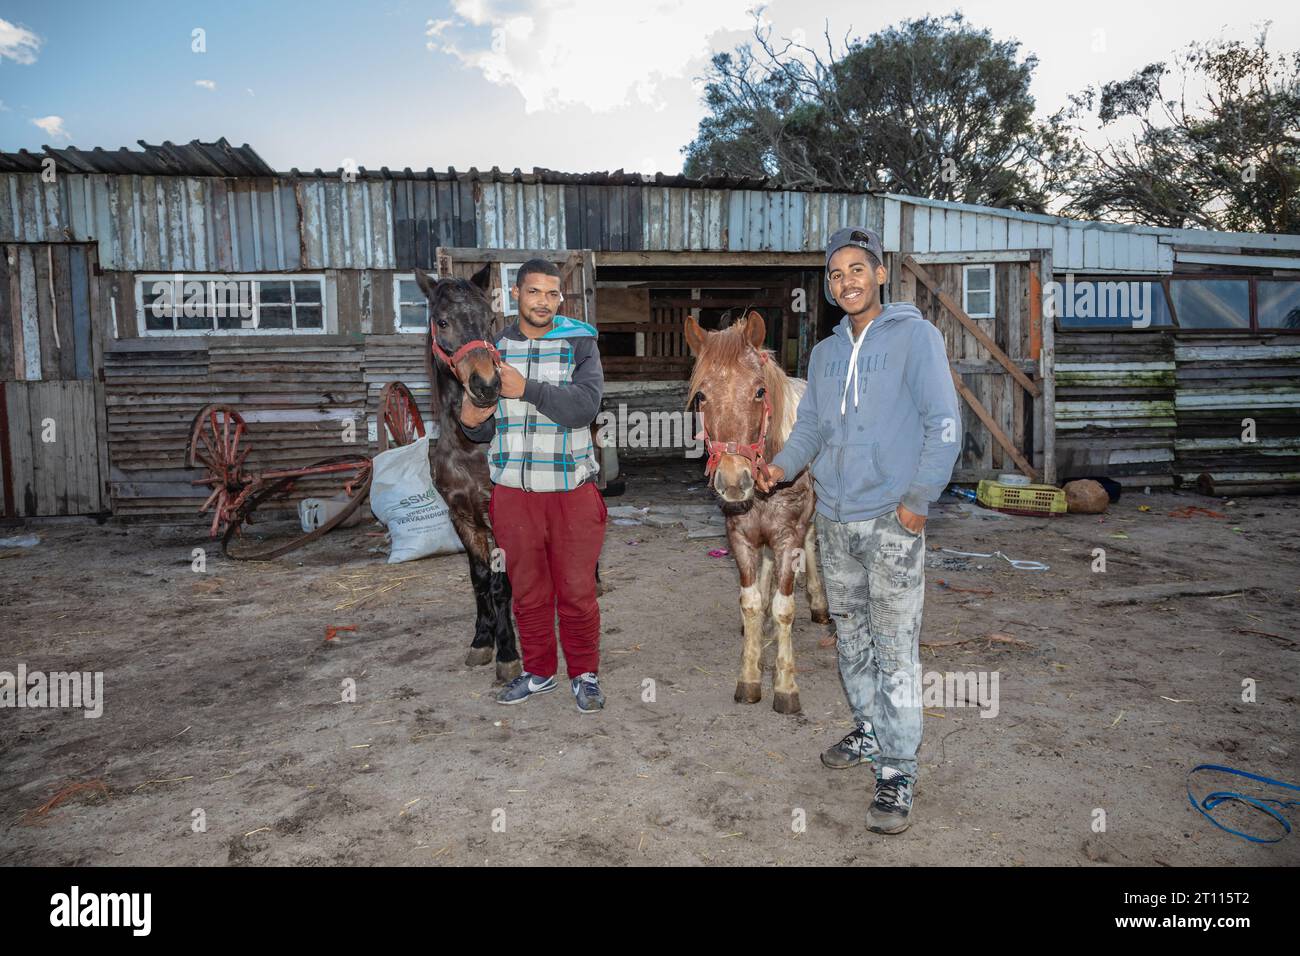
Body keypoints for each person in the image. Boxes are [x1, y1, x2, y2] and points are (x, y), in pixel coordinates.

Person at [756, 227, 961, 833]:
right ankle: (871, 732)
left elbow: (943, 422)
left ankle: (898, 769)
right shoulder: (823, 354)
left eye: (856, 269)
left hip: (892, 518)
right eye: (835, 274)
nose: (845, 281)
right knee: (851, 638)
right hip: (837, 518)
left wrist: (919, 501)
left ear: (878, 275)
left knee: (896, 647)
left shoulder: (915, 337)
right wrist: (781, 465)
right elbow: (812, 428)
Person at [459, 259, 608, 713]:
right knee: (527, 591)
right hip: (514, 495)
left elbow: (585, 406)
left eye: (552, 294)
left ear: (560, 298)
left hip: (571, 491)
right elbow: (482, 428)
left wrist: (527, 389)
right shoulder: (494, 346)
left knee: (578, 592)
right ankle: (539, 672)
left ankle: (584, 675)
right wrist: (471, 420)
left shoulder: (579, 341)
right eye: (534, 292)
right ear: (516, 294)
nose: (543, 301)